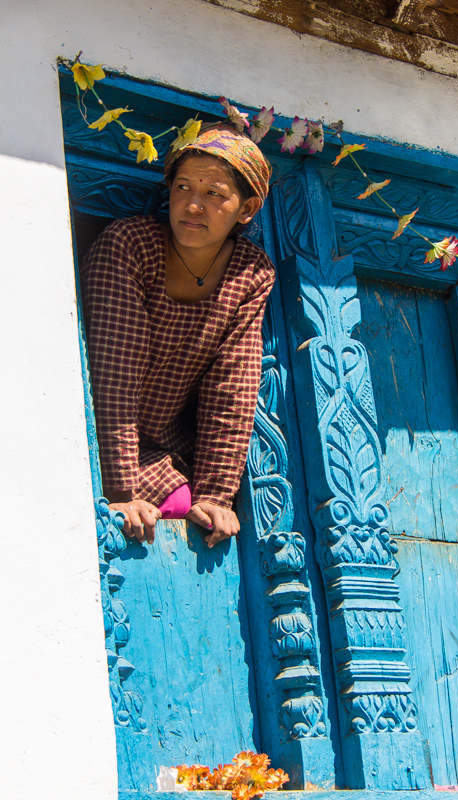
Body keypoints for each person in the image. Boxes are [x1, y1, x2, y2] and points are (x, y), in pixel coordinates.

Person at [81, 125, 275, 549]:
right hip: (101, 436)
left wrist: (217, 494)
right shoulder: (130, 246)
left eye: (214, 194)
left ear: (247, 209)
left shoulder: (251, 274)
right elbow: (116, 375)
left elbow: (234, 388)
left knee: (192, 509)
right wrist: (120, 492)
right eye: (183, 186)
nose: (192, 204)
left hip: (166, 451)